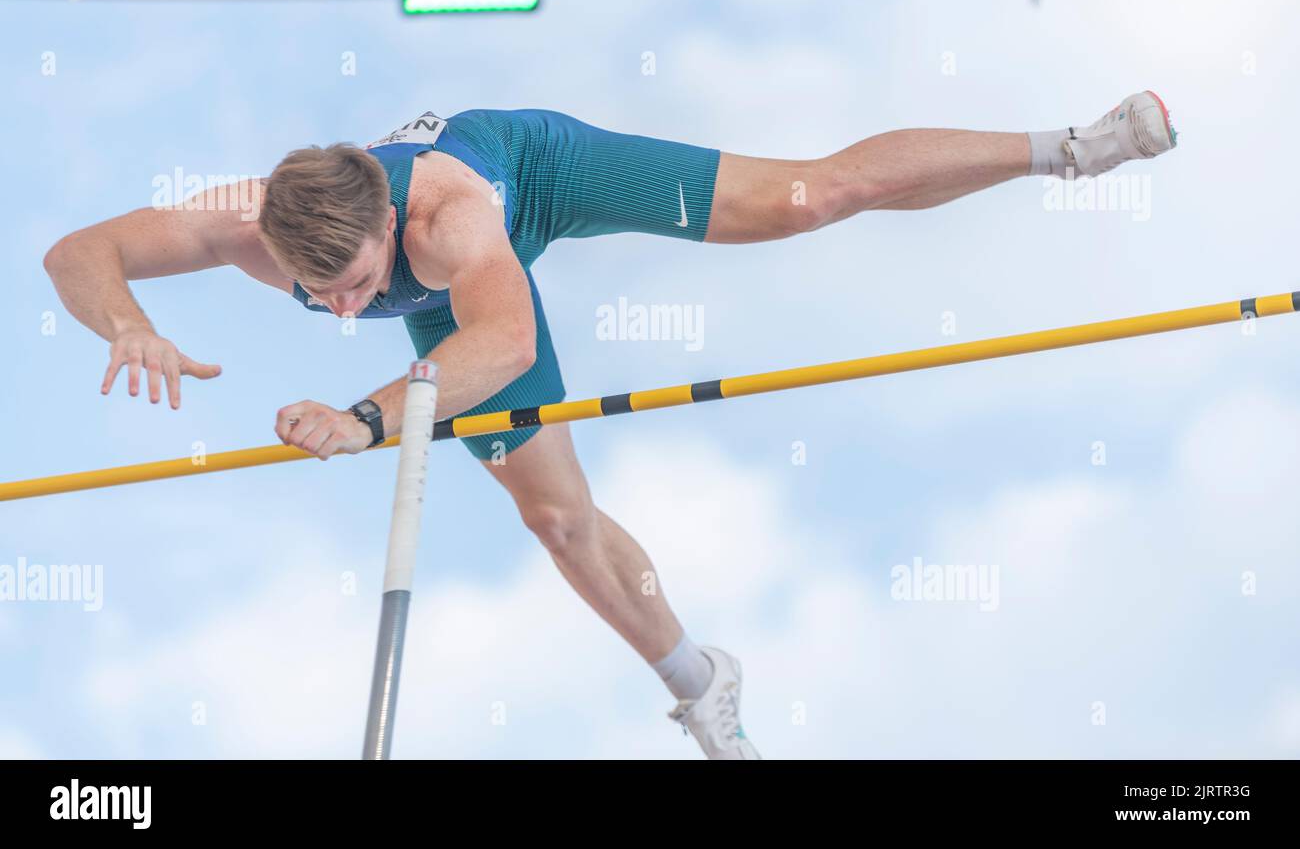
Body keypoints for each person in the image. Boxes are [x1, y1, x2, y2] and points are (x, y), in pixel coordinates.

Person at [42, 92, 1176, 759]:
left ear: (388, 221)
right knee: (556, 520)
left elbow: (496, 347)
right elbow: (77, 251)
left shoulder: (446, 214)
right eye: (318, 292)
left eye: (353, 282)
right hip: (445, 297)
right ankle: (700, 680)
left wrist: (361, 418)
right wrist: (127, 324)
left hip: (535, 176)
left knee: (806, 200)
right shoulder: (243, 222)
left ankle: (1068, 150)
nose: (342, 309)